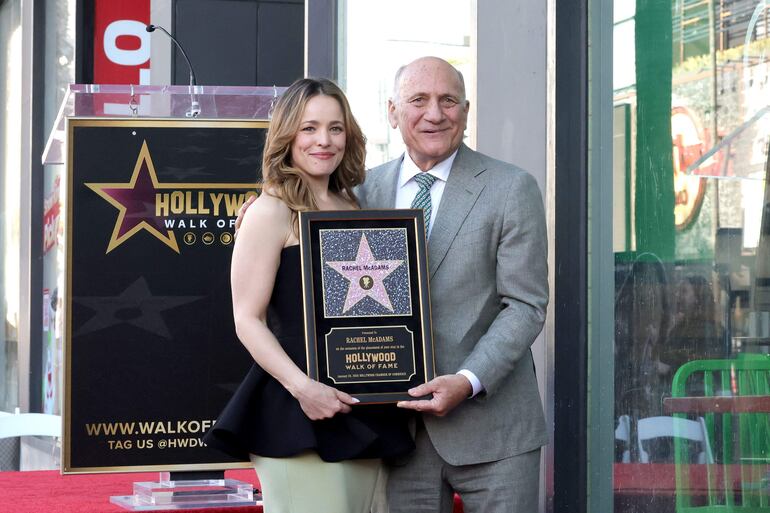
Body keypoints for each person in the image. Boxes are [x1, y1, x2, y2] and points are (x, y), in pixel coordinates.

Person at [236, 57, 549, 513]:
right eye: (418, 100)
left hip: (492, 430)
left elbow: (526, 305)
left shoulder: (510, 188)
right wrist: (263, 207)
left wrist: (468, 380)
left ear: (466, 108)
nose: (434, 114)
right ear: (393, 112)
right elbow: (292, 229)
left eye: (448, 101)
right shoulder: (362, 192)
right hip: (394, 436)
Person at [204, 78, 414, 513]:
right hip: (299, 411)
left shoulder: (354, 206)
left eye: (335, 128)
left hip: (363, 409)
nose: (324, 140)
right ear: (286, 136)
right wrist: (303, 388)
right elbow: (247, 319)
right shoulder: (269, 210)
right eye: (309, 128)